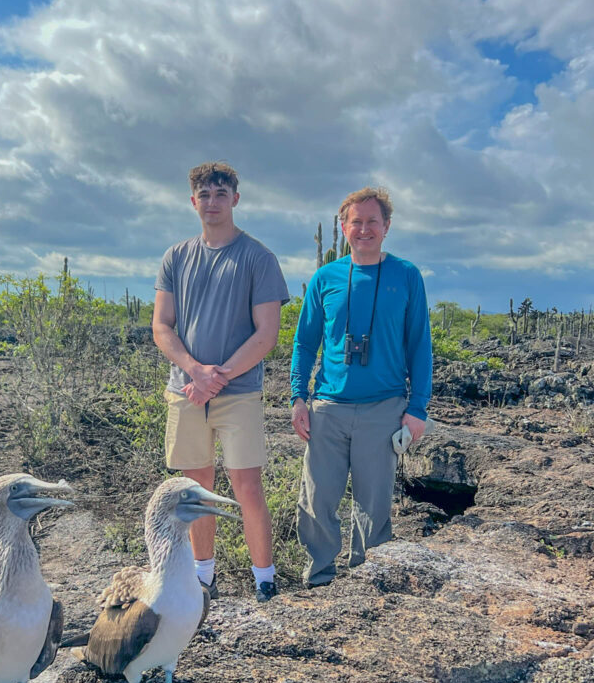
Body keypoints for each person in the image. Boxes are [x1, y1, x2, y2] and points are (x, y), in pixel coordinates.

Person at [152, 161, 290, 602]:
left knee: (247, 485)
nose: (212, 202)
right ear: (193, 202)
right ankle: (202, 578)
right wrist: (195, 371)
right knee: (196, 490)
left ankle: (265, 580)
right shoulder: (176, 257)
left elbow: (266, 334)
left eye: (220, 193)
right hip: (186, 390)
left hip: (239, 393)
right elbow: (162, 327)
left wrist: (218, 376)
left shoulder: (258, 258)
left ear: (235, 198)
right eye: (204, 195)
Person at [290, 186, 432, 585]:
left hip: (384, 408)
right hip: (328, 408)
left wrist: (417, 409)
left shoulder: (406, 276)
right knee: (318, 500)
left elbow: (420, 343)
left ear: (386, 227)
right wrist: (298, 397)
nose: (364, 229)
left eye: (373, 222)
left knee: (374, 503)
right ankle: (319, 576)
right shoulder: (325, 278)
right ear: (343, 226)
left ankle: (368, 580)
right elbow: (304, 342)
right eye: (357, 222)